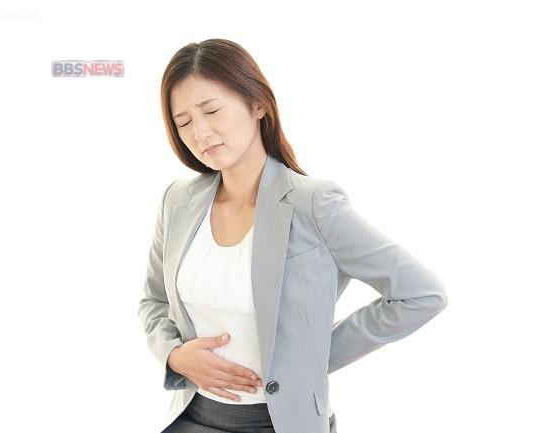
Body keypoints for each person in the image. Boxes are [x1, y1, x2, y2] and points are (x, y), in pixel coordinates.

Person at [138, 38, 448, 433]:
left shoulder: (313, 204)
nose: (200, 132)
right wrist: (174, 355)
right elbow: (154, 300)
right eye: (183, 122)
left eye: (211, 110)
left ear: (258, 104)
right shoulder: (178, 201)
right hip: (192, 417)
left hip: (281, 422)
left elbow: (421, 294)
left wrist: (307, 357)